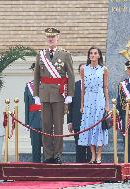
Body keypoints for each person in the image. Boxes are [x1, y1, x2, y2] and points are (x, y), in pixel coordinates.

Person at [33, 27, 75, 164]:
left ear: (58, 39)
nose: (50, 39)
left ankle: (57, 154)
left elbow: (71, 75)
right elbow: (37, 75)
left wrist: (70, 94)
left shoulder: (65, 55)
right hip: (44, 94)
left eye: (53, 37)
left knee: (57, 126)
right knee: (45, 126)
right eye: (48, 37)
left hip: (59, 94)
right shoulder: (40, 55)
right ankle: (47, 155)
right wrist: (36, 94)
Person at [78, 47, 109, 164]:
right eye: (91, 53)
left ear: (99, 56)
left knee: (99, 125)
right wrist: (82, 104)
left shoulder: (104, 69)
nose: (93, 55)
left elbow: (106, 87)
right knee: (89, 124)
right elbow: (82, 88)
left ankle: (99, 154)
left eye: (95, 53)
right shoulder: (83, 69)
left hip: (99, 97)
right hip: (88, 98)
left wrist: (107, 104)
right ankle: (93, 155)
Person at [67, 63, 91, 163]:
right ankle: (80, 168)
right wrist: (69, 121)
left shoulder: (94, 84)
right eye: (81, 70)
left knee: (90, 148)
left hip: (91, 121)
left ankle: (91, 169)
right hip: (77, 121)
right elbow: (70, 105)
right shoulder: (73, 86)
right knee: (79, 147)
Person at [24, 63, 42, 163]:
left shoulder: (48, 84)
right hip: (34, 119)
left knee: (48, 147)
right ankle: (36, 166)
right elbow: (27, 105)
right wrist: (27, 122)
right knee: (35, 147)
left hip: (46, 119)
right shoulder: (28, 86)